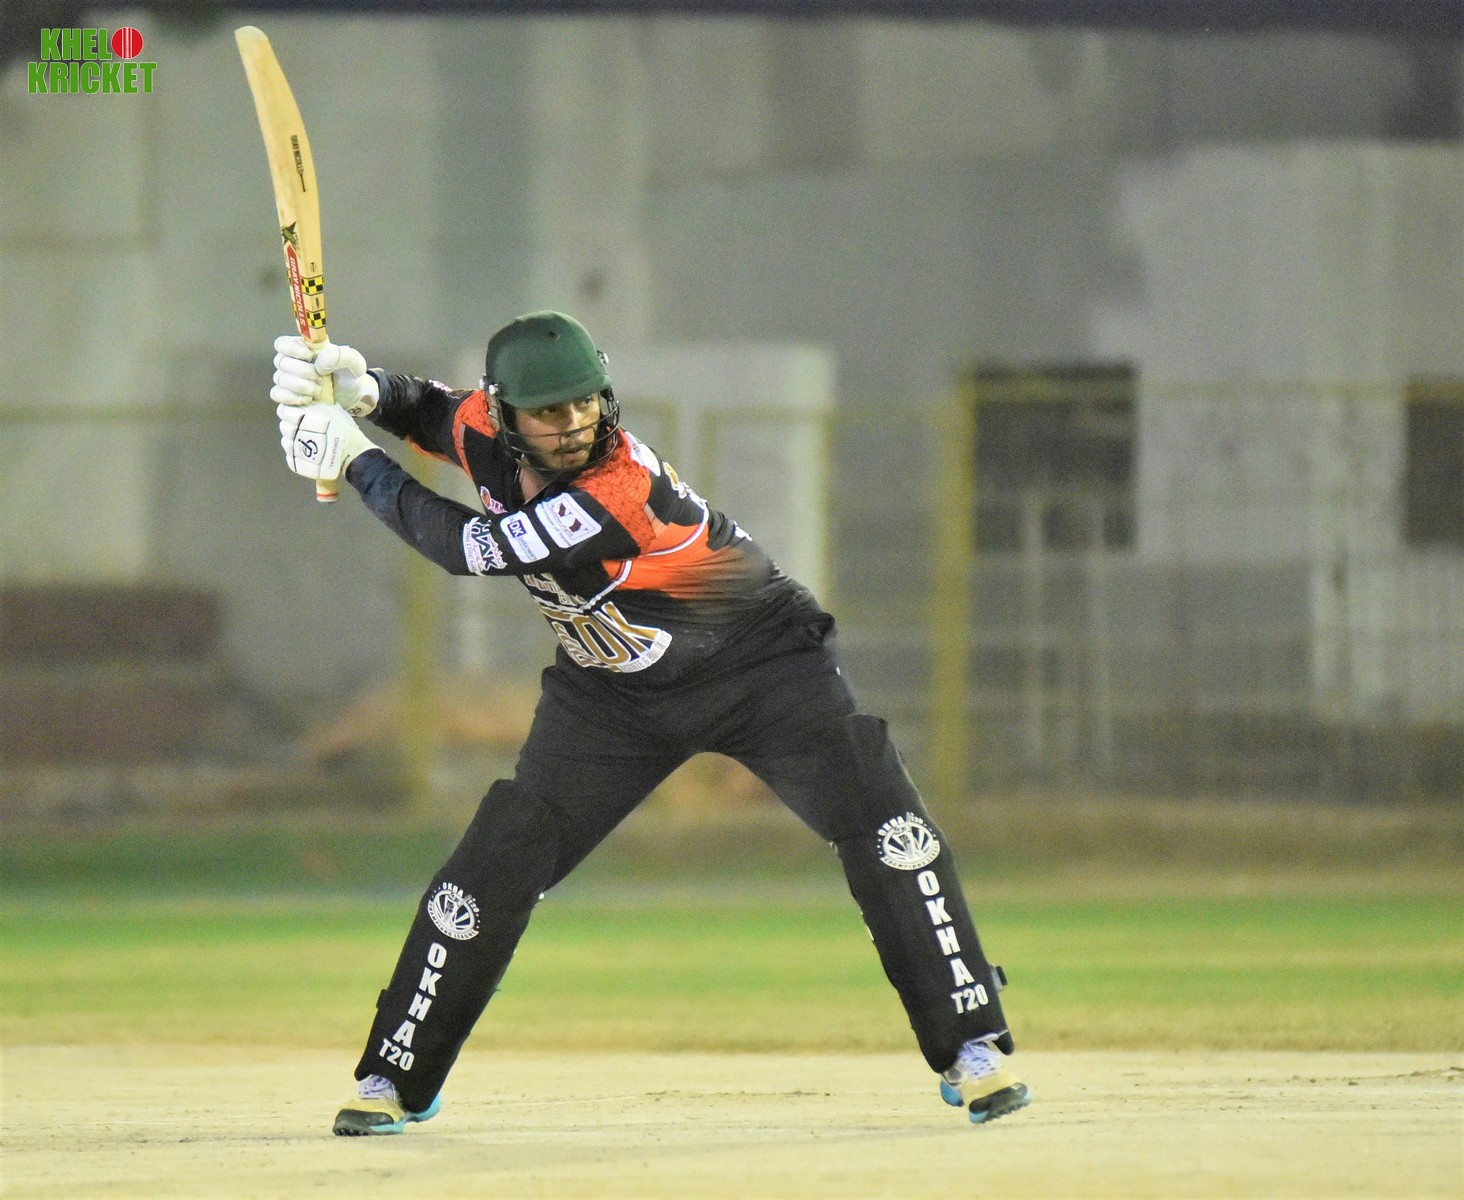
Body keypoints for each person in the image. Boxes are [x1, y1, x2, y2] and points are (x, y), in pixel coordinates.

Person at [269, 310, 1030, 1135]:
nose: (572, 423)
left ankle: (970, 1045)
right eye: (548, 411)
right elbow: (430, 411)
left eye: (584, 402)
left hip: (760, 665)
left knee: (884, 822)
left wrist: (355, 462)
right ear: (505, 413)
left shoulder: (616, 488)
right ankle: (395, 1074)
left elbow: (468, 548)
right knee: (499, 858)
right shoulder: (484, 424)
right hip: (613, 696)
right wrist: (363, 388)